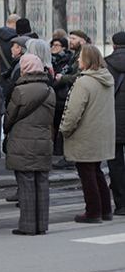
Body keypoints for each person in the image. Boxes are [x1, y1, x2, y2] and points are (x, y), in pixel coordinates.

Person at [60, 45, 115, 223]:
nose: (77, 60)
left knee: (87, 173)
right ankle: (105, 209)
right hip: (101, 134)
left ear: (87, 60)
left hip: (85, 135)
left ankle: (93, 211)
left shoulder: (84, 82)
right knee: (96, 171)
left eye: (81, 57)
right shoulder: (106, 78)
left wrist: (65, 130)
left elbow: (73, 111)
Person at [3, 54, 56, 235]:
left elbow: (9, 116)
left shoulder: (20, 91)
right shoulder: (50, 90)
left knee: (25, 183)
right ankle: (41, 226)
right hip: (43, 140)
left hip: (22, 141)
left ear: (24, 69)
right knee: (42, 182)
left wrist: (7, 129)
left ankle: (27, 226)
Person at [54, 30, 90, 169]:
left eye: (74, 38)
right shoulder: (76, 54)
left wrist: (63, 78)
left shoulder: (84, 53)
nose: (71, 41)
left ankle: (71, 157)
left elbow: (79, 75)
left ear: (82, 40)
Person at [105, 32, 125, 216]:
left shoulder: (105, 64)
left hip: (112, 121)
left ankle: (121, 204)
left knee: (116, 164)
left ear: (113, 45)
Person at [50, 36, 72, 156]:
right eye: (52, 45)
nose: (53, 47)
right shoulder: (50, 59)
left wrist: (52, 85)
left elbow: (62, 77)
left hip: (61, 96)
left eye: (57, 45)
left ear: (64, 47)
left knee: (59, 123)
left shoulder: (67, 60)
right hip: (51, 96)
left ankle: (59, 148)